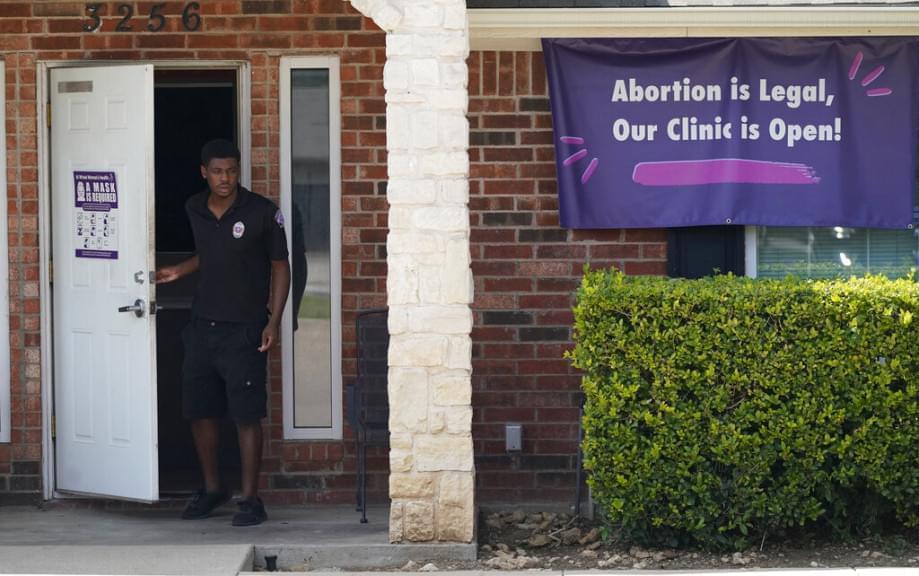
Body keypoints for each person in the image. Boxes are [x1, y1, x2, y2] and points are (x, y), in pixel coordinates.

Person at [156, 139, 290, 526]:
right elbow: (213, 252)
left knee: (246, 416)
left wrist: (273, 320)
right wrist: (179, 270)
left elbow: (281, 266)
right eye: (217, 171)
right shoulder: (194, 208)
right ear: (204, 172)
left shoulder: (263, 212)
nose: (225, 178)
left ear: (238, 171)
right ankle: (213, 489)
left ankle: (250, 499)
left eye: (231, 170)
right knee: (201, 412)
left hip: (245, 330)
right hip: (202, 328)